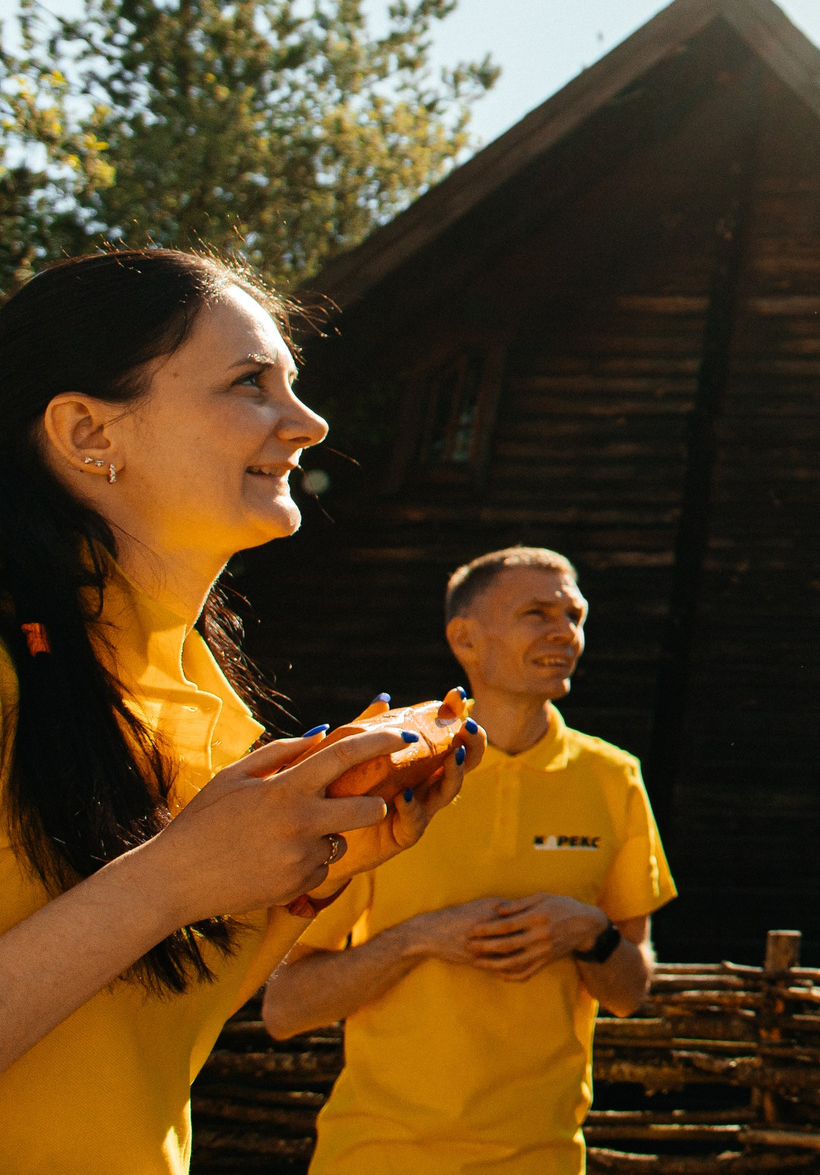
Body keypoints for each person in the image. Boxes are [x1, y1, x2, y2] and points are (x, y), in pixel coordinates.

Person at [0, 248, 476, 1174]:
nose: (309, 422)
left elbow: (135, 1043)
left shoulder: (206, 708)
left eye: (291, 384)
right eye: (250, 383)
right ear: (88, 430)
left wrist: (311, 875)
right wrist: (169, 879)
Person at [263, 545, 675, 1175]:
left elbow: (631, 990)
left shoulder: (614, 780)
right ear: (465, 639)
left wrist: (590, 933)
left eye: (575, 615)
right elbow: (285, 1006)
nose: (565, 633)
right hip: (378, 1154)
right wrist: (417, 940)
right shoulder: (400, 773)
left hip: (543, 1159)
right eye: (537, 613)